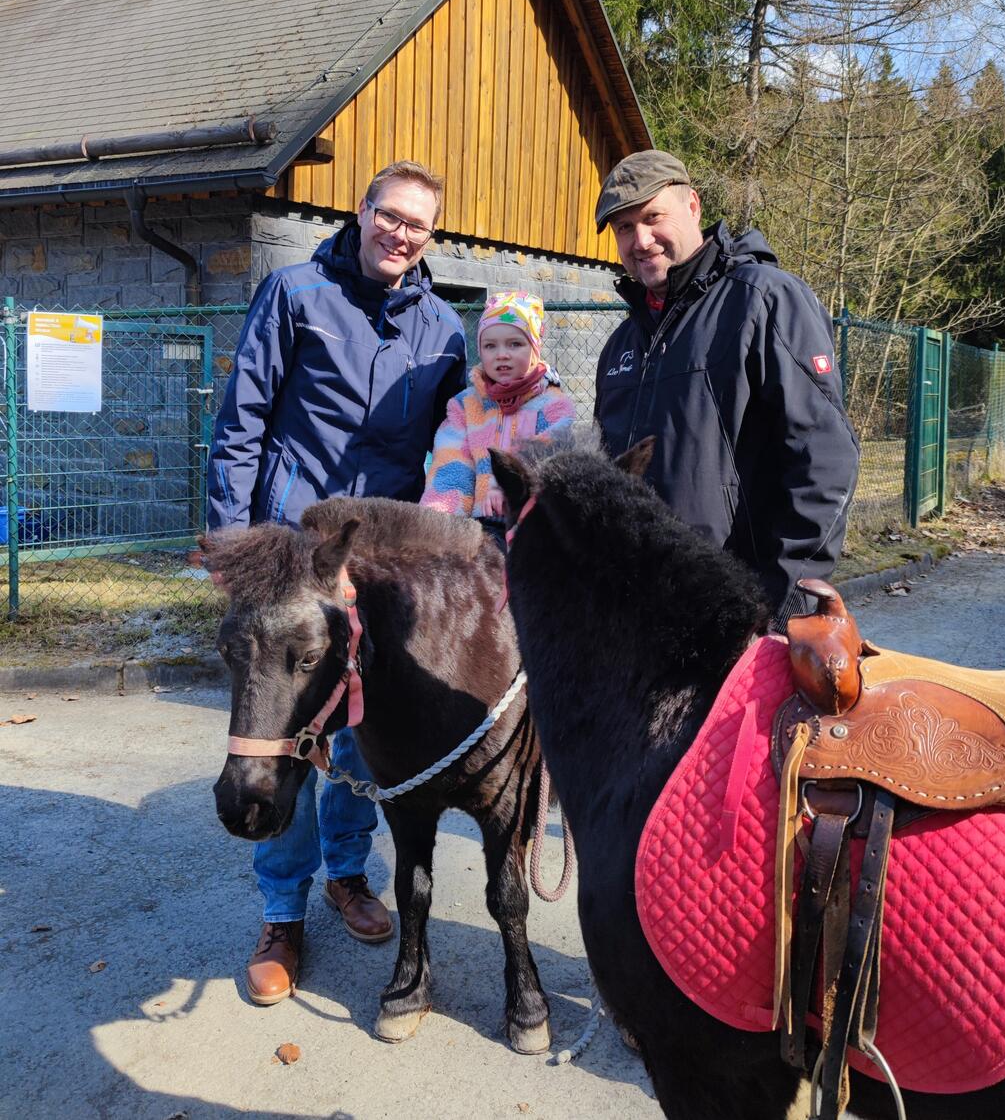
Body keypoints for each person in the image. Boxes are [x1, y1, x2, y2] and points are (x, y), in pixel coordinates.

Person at [206, 159, 467, 1005]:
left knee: (358, 734)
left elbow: (458, 445)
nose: (399, 234)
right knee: (281, 734)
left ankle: (348, 876)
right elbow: (242, 418)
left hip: (373, 570)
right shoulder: (294, 294)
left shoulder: (444, 331)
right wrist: (229, 540)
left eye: (417, 225)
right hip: (286, 554)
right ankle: (281, 911)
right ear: (361, 212)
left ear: (432, 236)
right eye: (388, 215)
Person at [593, 149, 859, 627]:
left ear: (692, 206)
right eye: (624, 228)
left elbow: (824, 462)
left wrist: (784, 608)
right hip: (641, 614)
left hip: (739, 612)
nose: (641, 240)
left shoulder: (764, 300)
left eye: (653, 217)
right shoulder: (620, 347)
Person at [421, 291, 576, 543]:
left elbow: (555, 459)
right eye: (490, 345)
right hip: (478, 530)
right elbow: (451, 468)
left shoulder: (552, 404)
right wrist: (439, 530)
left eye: (515, 344)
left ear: (535, 347)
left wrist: (511, 484)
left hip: (533, 531)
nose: (501, 354)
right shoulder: (466, 405)